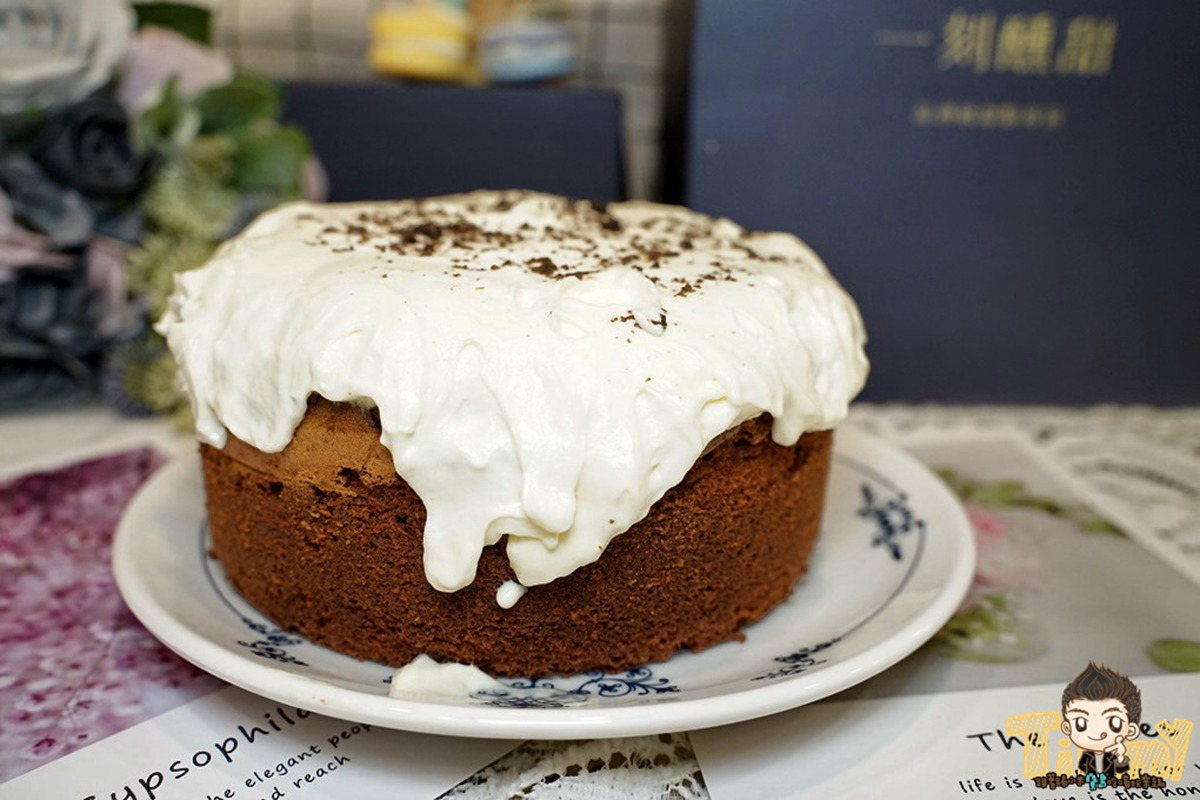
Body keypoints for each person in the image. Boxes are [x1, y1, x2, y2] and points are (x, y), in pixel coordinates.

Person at [1060, 662, 1142, 781]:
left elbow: (1124, 775)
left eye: (1114, 724)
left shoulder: (1116, 755)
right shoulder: (1080, 759)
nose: (1096, 733)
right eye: (1081, 724)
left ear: (1131, 730)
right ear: (1067, 727)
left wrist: (1120, 758)